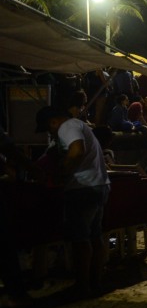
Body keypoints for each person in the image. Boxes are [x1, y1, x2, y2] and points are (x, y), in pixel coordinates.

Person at [35, 106, 111, 297]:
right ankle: (96, 282)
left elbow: (77, 151)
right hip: (98, 185)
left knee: (80, 240)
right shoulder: (79, 125)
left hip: (82, 188)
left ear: (53, 121)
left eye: (48, 129)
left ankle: (83, 285)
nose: (50, 133)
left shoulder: (67, 126)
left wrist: (63, 171)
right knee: (95, 236)